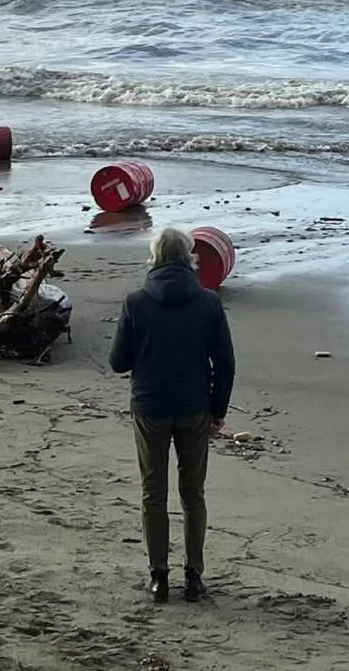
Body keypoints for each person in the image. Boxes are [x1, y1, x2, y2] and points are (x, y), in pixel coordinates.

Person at [109, 226, 235, 603]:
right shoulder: (209, 303)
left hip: (150, 407)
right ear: (189, 259)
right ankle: (194, 576)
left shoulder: (136, 302)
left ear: (154, 259)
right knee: (193, 493)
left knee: (153, 492)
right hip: (194, 406)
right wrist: (218, 411)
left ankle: (158, 576)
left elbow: (118, 362)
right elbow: (225, 364)